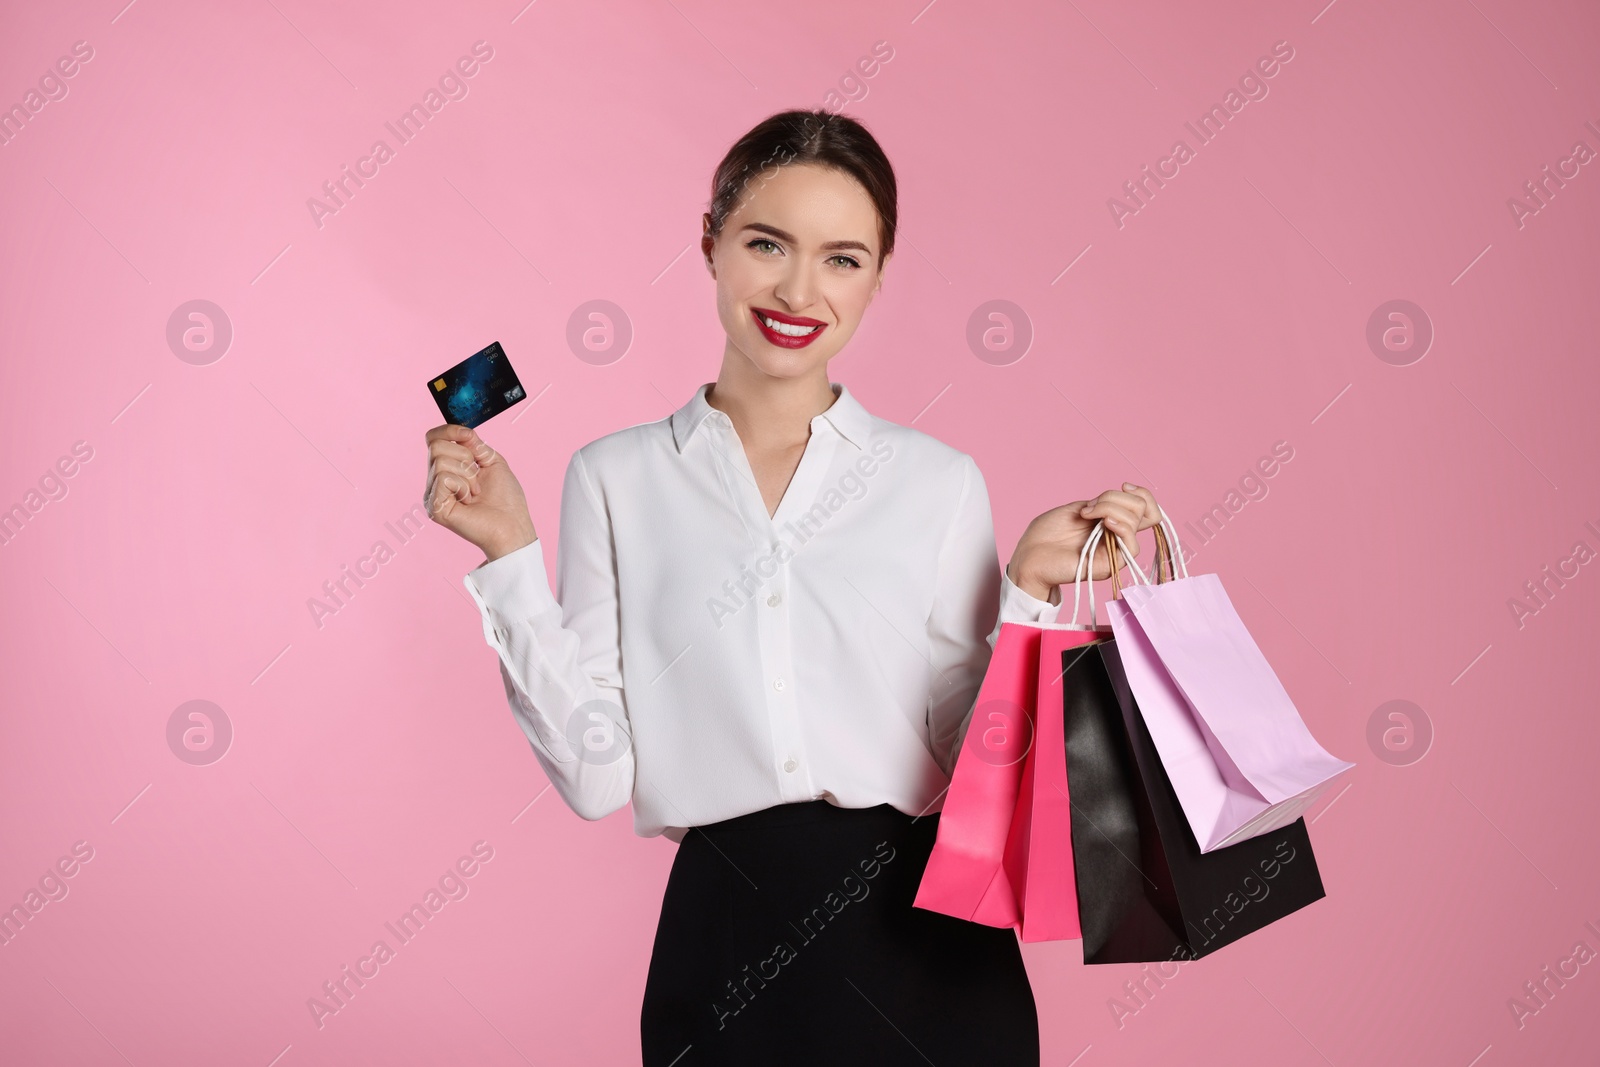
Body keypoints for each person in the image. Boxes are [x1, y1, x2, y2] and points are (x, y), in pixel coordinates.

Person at [424, 109, 1161, 1066]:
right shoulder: (615, 477)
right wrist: (511, 559)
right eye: (767, 243)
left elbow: (963, 757)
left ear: (879, 276)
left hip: (928, 943)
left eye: (843, 259)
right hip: (727, 943)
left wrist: (1023, 591)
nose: (798, 289)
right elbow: (595, 774)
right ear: (712, 243)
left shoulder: (936, 481)